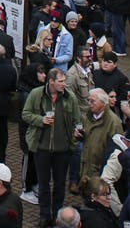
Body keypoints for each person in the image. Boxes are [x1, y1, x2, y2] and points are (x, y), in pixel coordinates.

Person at [22, 67, 82, 226]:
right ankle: (44, 215)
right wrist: (40, 120)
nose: (64, 84)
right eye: (61, 81)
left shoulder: (70, 98)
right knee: (43, 185)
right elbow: (25, 114)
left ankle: (57, 215)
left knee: (60, 185)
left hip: (63, 150)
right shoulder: (36, 94)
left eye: (64, 81)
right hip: (41, 148)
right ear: (51, 82)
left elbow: (78, 120)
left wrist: (76, 137)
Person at [81, 89, 123, 181]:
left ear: (103, 103)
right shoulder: (88, 117)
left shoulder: (113, 122)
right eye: (88, 100)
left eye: (92, 101)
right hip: (86, 169)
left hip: (101, 171)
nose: (89, 103)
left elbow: (116, 150)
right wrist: (80, 136)